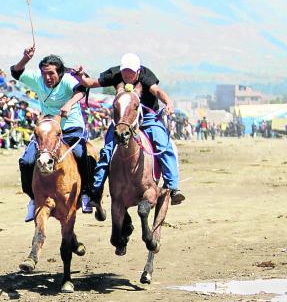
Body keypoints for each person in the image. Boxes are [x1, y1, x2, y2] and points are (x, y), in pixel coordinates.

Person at [71, 53, 185, 206]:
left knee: (163, 145)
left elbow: (157, 91)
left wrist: (168, 103)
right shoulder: (115, 74)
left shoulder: (146, 75)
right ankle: (95, 191)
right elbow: (90, 83)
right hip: (123, 120)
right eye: (125, 71)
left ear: (138, 71)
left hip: (147, 118)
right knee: (107, 150)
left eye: (131, 72)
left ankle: (173, 186)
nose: (127, 75)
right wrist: (79, 76)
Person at [10, 47, 94, 220]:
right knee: (26, 161)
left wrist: (69, 104)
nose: (47, 78)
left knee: (81, 154)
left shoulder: (68, 80)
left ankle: (87, 194)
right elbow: (16, 73)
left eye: (51, 74)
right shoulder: (37, 79)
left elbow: (81, 90)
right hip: (47, 130)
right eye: (45, 74)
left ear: (60, 73)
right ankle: (33, 200)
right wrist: (25, 59)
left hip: (71, 128)